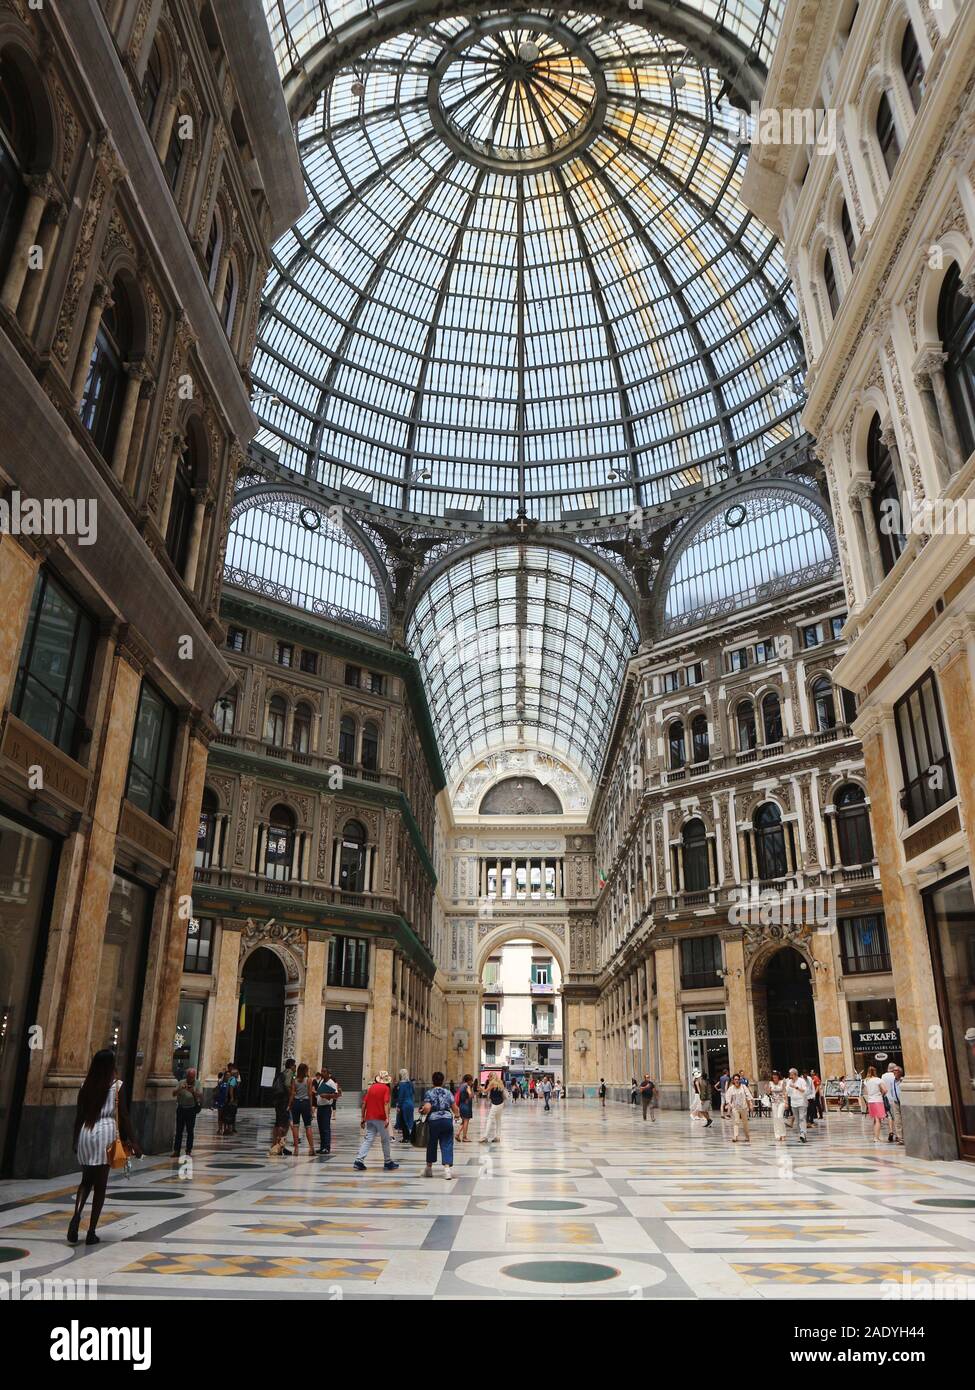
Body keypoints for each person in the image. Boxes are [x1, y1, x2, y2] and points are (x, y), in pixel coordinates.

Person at [68, 1049, 141, 1245]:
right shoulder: (117, 1086)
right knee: (100, 1186)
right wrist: (134, 1141)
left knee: (85, 1181)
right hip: (105, 1133)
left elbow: (79, 1115)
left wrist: (75, 1139)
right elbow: (124, 1115)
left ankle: (76, 1215)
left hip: (86, 1133)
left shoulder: (86, 1085)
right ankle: (91, 1231)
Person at [354, 1071, 399, 1171]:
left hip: (369, 1117)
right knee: (385, 1139)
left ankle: (359, 1160)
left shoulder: (371, 1088)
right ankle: (388, 1162)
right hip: (380, 1117)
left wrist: (362, 1118)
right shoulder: (385, 1088)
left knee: (369, 1139)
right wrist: (387, 1118)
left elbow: (364, 1104)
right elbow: (386, 1103)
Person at [421, 1071, 459, 1179]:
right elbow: (454, 1107)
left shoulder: (429, 1093)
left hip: (434, 1121)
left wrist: (423, 1111)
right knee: (447, 1143)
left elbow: (427, 1107)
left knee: (432, 1143)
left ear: (433, 1081)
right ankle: (447, 1170)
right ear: (443, 1081)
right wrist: (457, 1116)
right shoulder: (448, 1093)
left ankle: (429, 1169)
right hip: (447, 1120)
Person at [268, 1057, 296, 1157]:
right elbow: (288, 1086)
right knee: (283, 1123)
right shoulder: (289, 1073)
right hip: (284, 1101)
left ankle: (276, 1144)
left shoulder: (282, 1073)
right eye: (294, 1065)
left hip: (278, 1101)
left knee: (278, 1122)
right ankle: (279, 1146)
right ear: (292, 1066)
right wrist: (291, 1098)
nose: (295, 1068)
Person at [172, 1067, 202, 1157]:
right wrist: (180, 1089)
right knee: (179, 1130)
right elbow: (173, 1093)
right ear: (187, 1076)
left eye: (192, 1077)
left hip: (191, 1109)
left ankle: (188, 1150)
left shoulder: (197, 1083)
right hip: (181, 1109)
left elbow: (200, 1095)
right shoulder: (181, 1082)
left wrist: (193, 1092)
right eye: (189, 1077)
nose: (190, 1079)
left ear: (194, 1077)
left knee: (190, 1131)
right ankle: (176, 1150)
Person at [290, 1063, 316, 1156]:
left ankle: (296, 1149)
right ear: (305, 1070)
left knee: (296, 1126)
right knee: (308, 1126)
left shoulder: (294, 1080)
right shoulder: (309, 1080)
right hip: (305, 1103)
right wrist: (311, 1107)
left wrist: (289, 1104)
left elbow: (292, 1093)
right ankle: (311, 1148)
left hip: (296, 1103)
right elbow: (310, 1094)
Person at [315, 1068, 340, 1153]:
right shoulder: (321, 1081)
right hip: (320, 1107)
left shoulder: (331, 1083)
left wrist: (327, 1095)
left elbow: (336, 1095)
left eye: (324, 1072)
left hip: (326, 1107)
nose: (322, 1073)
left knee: (325, 1128)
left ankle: (327, 1147)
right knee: (321, 1128)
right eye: (322, 1071)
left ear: (328, 1074)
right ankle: (322, 1146)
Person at [725, 1073, 754, 1142]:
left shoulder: (743, 1087)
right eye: (735, 1079)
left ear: (739, 1080)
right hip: (735, 1108)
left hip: (744, 1107)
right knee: (736, 1122)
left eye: (738, 1079)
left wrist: (750, 1104)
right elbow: (728, 1097)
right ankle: (735, 1136)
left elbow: (748, 1095)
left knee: (745, 1122)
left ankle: (747, 1136)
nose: (737, 1081)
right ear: (733, 1080)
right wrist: (729, 1104)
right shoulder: (731, 1088)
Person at [863, 1065, 888, 1142]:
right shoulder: (878, 1080)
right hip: (878, 1100)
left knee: (875, 1120)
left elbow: (866, 1092)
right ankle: (876, 1138)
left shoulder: (866, 1081)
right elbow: (885, 1090)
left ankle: (875, 1136)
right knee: (878, 1120)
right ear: (875, 1072)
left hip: (870, 1101)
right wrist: (881, 1093)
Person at [480, 1072, 505, 1144]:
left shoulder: (492, 1083)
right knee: (498, 1120)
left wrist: (481, 1088)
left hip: (495, 1103)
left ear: (491, 1077)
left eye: (488, 1077)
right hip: (501, 1103)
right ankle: (497, 1137)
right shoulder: (500, 1083)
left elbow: (485, 1091)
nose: (488, 1078)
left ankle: (485, 1136)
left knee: (490, 1119)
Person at [882, 1065, 904, 1144]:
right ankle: (900, 1138)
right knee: (897, 1120)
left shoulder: (903, 1080)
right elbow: (891, 1091)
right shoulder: (893, 1081)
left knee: (904, 1120)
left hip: (903, 1102)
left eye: (896, 1071)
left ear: (900, 1072)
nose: (894, 1072)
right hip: (895, 1102)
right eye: (893, 1071)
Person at [786, 1068, 809, 1142]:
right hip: (794, 1103)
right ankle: (800, 1135)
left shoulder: (801, 1081)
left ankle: (803, 1134)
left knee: (802, 1118)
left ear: (795, 1074)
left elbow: (804, 1091)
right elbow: (787, 1092)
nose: (790, 1076)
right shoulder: (789, 1082)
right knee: (797, 1119)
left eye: (791, 1074)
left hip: (802, 1102)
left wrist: (796, 1087)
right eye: (790, 1074)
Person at [768, 1070, 788, 1143]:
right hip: (774, 1102)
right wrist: (767, 1089)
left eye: (776, 1077)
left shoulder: (782, 1082)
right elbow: (769, 1092)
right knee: (775, 1119)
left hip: (781, 1102)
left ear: (778, 1077)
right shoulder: (770, 1083)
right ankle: (777, 1134)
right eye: (773, 1078)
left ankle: (783, 1134)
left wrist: (786, 1102)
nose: (775, 1079)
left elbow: (785, 1092)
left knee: (780, 1117)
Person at [396, 1068, 415, 1144]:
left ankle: (406, 1138)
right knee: (409, 1121)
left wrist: (398, 1106)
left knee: (403, 1121)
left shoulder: (401, 1084)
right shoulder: (410, 1083)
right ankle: (410, 1137)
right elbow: (413, 1092)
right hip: (410, 1104)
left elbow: (401, 1096)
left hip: (404, 1104)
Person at [456, 1074, 474, 1142]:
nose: (472, 1082)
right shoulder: (467, 1086)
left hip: (461, 1105)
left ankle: (457, 1134)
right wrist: (470, 1096)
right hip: (466, 1105)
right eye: (471, 1080)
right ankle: (464, 1137)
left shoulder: (461, 1086)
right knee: (466, 1121)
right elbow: (470, 1094)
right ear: (469, 1080)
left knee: (463, 1121)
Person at [213, 1071, 229, 1136]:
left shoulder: (230, 1084)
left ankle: (225, 1129)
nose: (227, 1077)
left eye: (229, 1075)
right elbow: (216, 1091)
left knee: (226, 1116)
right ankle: (220, 1128)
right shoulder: (220, 1083)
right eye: (226, 1075)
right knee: (220, 1115)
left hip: (227, 1102)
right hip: (220, 1101)